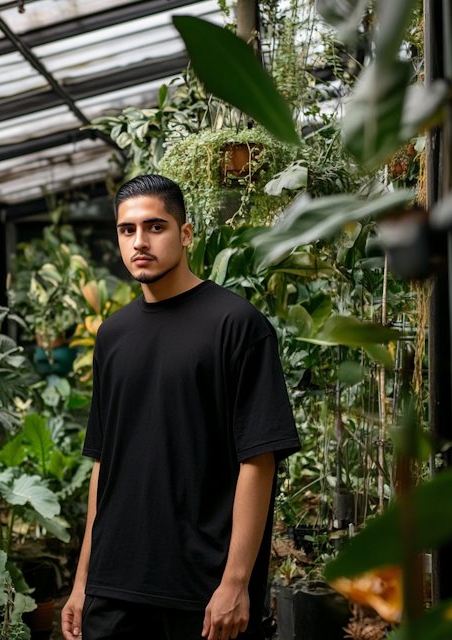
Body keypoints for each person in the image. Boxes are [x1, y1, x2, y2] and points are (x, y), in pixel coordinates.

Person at [61, 175, 301, 640]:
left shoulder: (236, 325)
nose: (139, 242)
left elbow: (259, 459)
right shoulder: (112, 335)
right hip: (114, 588)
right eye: (127, 230)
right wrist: (82, 581)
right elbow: (103, 466)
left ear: (186, 234)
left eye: (155, 227)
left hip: (202, 593)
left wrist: (235, 582)